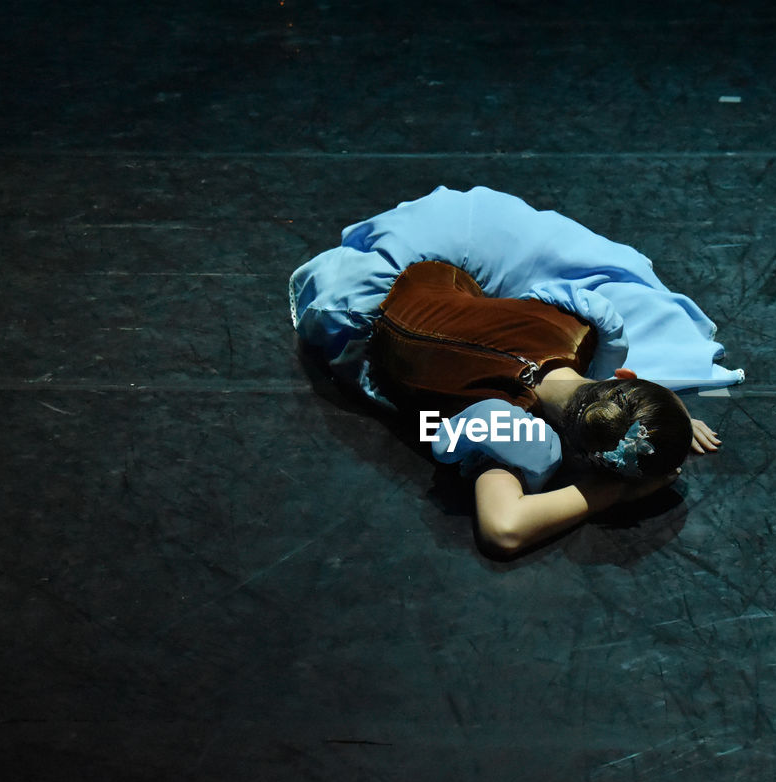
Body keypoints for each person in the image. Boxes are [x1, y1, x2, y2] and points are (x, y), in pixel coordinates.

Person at [290, 186, 744, 555]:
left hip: (422, 269)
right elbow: (503, 530)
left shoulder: (578, 326)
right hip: (356, 324)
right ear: (580, 461)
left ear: (623, 377)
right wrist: (611, 494)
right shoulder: (505, 423)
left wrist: (655, 411)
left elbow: (618, 387)